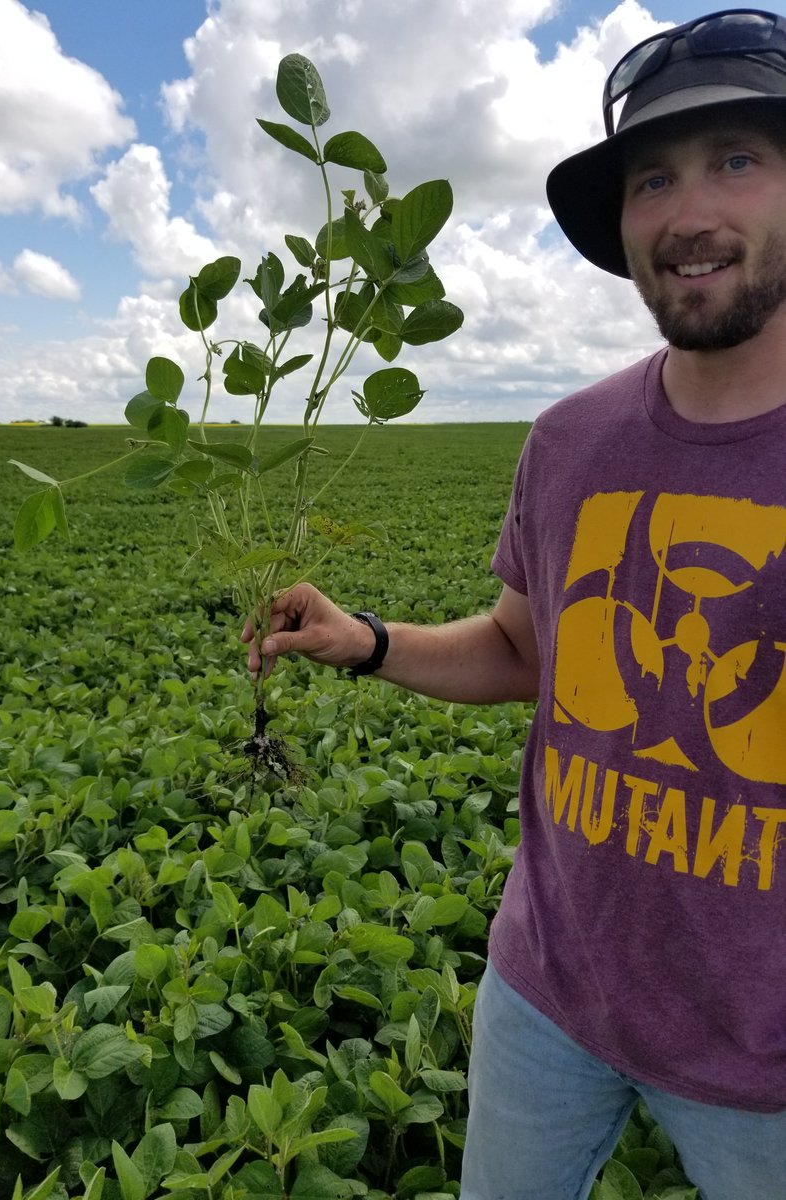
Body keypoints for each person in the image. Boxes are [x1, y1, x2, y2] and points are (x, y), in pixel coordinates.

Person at [242, 10, 786, 1198]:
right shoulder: (572, 441)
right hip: (547, 995)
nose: (690, 213)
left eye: (737, 161)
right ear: (626, 226)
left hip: (768, 1065)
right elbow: (523, 648)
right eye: (654, 178)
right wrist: (365, 642)